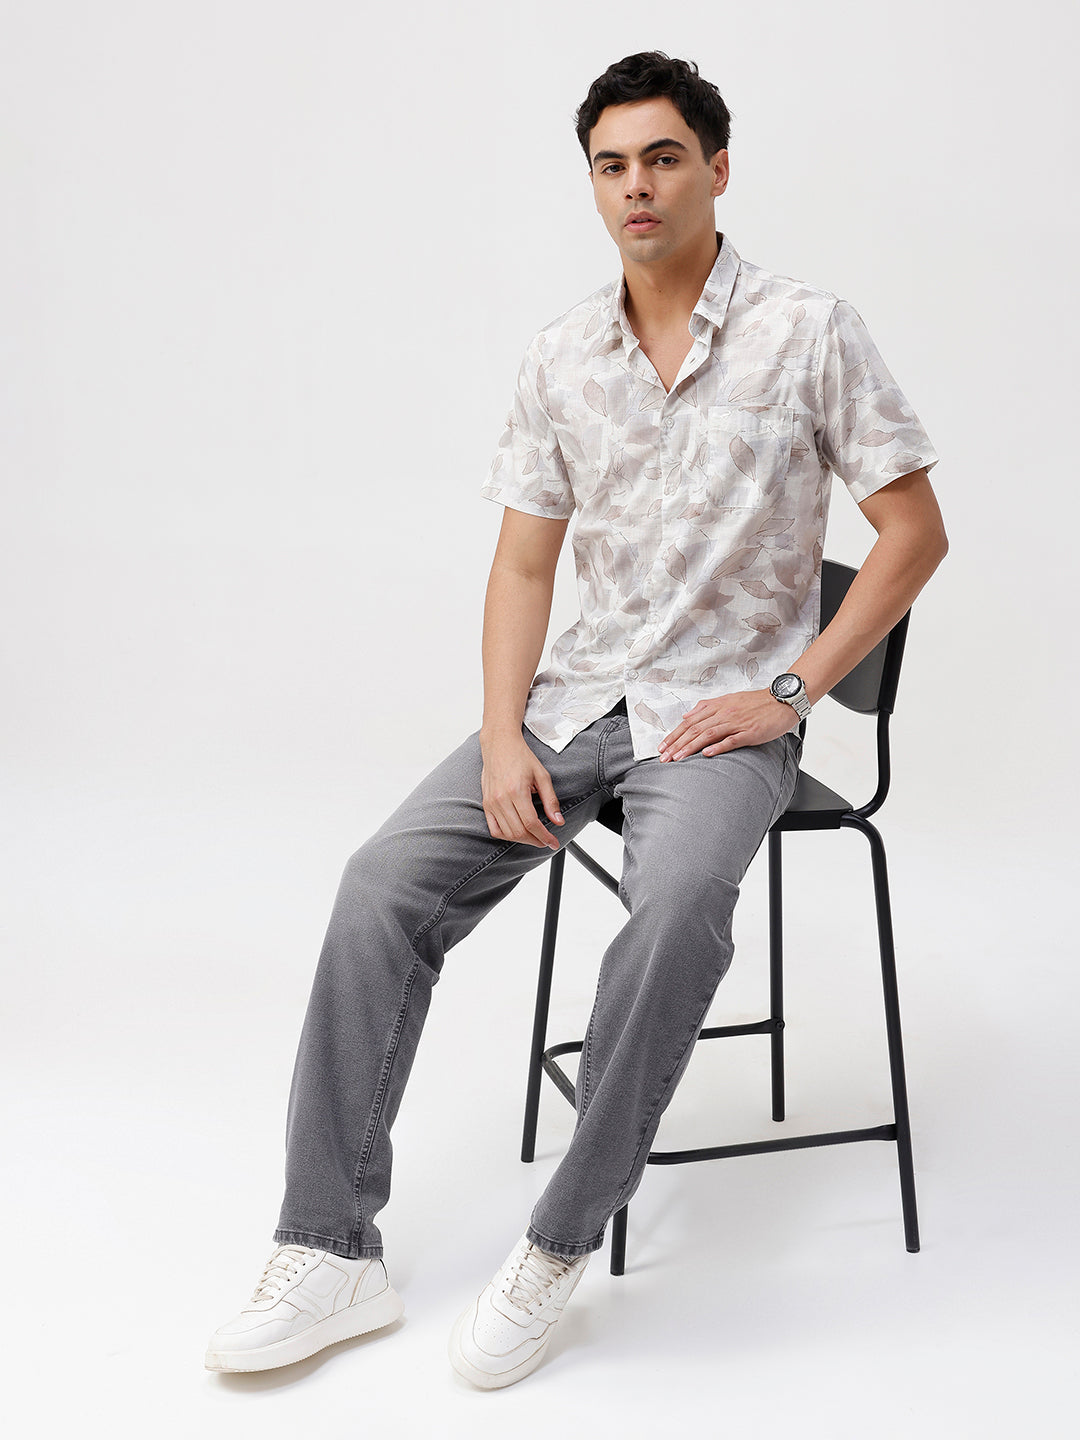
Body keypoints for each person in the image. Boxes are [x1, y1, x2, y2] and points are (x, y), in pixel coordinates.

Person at [205, 50, 947, 1390]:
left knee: (677, 911)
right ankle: (328, 1246)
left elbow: (913, 534)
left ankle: (556, 1246)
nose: (637, 186)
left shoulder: (809, 331)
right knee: (379, 884)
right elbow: (524, 565)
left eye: (663, 157)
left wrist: (789, 693)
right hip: (573, 702)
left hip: (721, 719)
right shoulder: (562, 355)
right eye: (612, 165)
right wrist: (502, 735)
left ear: (718, 169)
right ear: (593, 185)